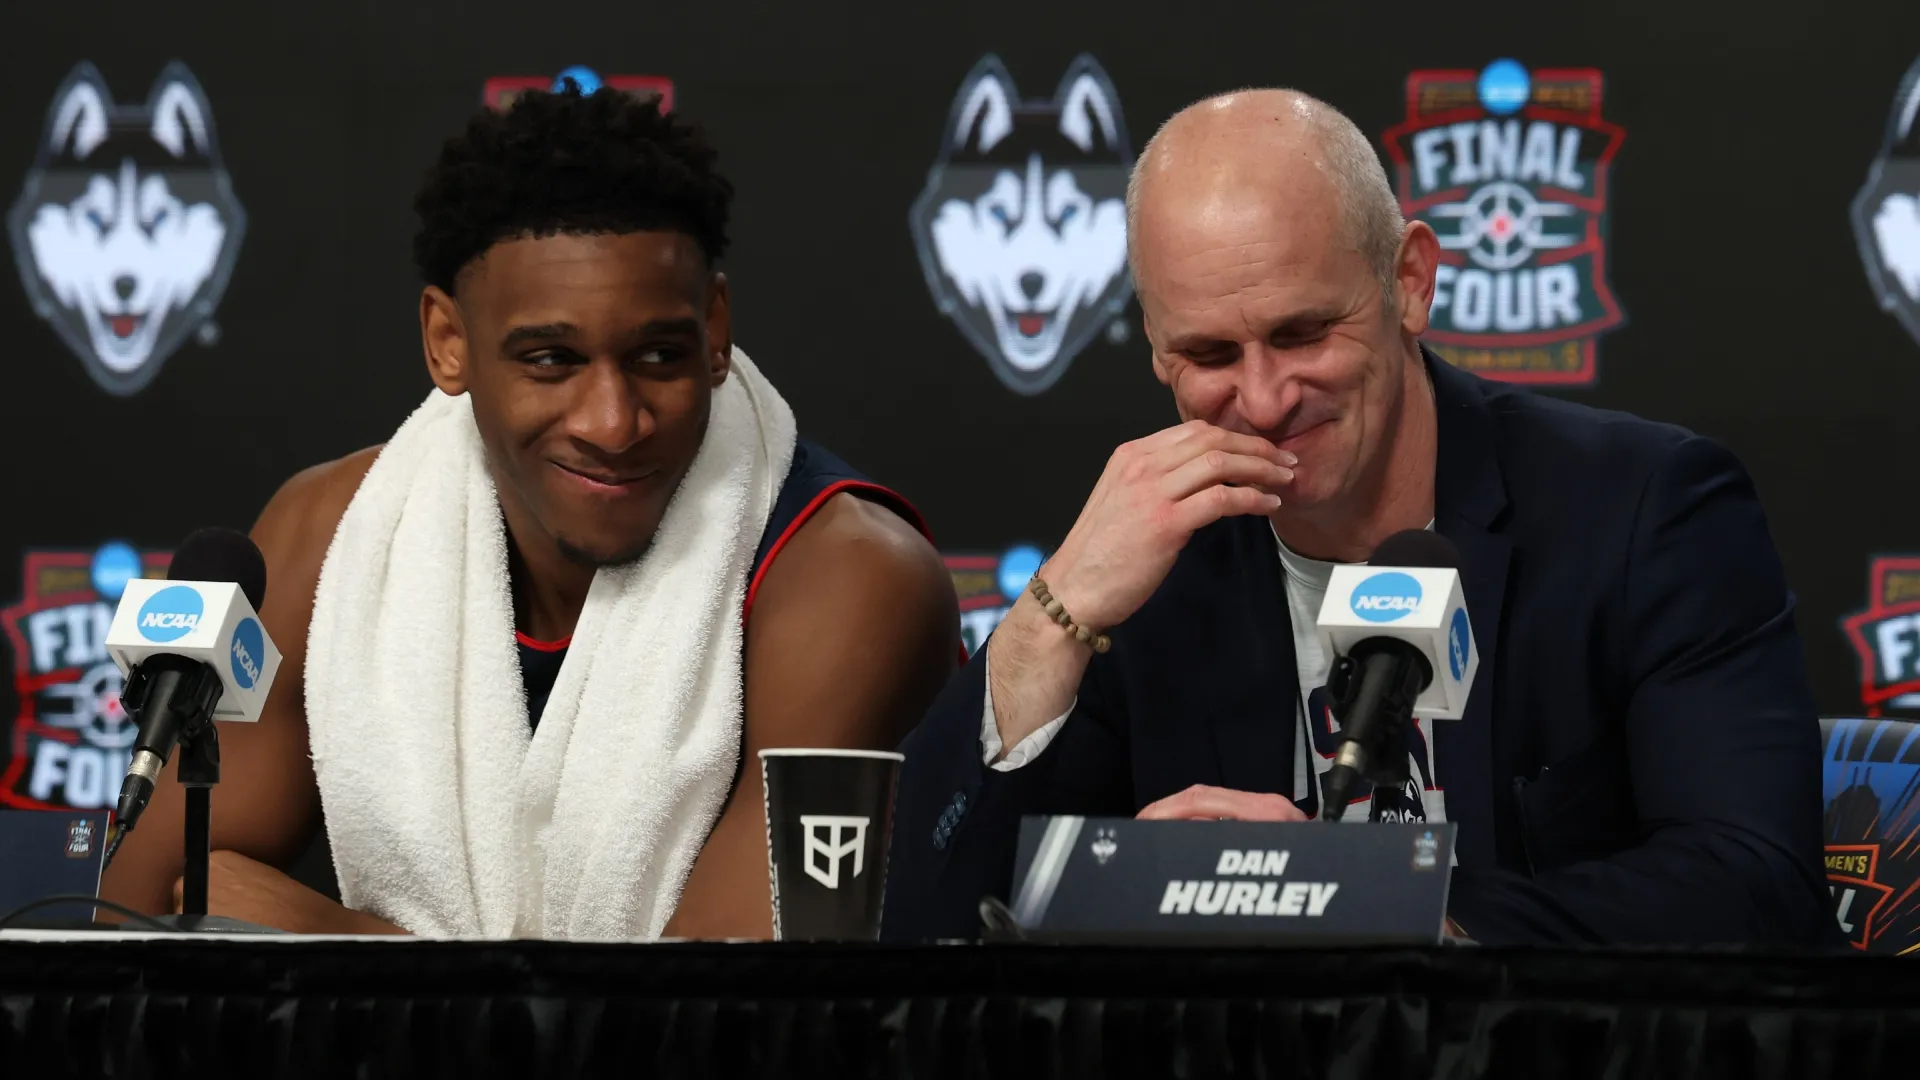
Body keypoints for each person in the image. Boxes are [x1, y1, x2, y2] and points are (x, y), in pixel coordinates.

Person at [882, 89, 1834, 946]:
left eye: (1302, 333)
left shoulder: (1643, 510)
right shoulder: (1149, 567)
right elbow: (922, 921)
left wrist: (1372, 907)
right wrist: (1051, 620)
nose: (1261, 399)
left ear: (1410, 280)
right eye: (1210, 353)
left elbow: (1755, 883)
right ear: (1158, 350)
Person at [101, 87, 959, 939]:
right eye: (551, 360)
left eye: (659, 355)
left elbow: (723, 1019)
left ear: (716, 328)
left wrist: (357, 948)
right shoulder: (329, 537)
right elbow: (137, 908)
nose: (613, 422)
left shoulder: (853, 583)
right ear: (448, 342)